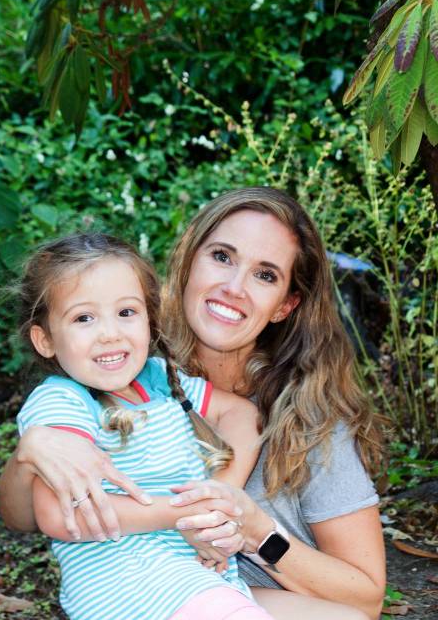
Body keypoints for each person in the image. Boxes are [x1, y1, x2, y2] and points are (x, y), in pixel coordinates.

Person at [0, 188, 386, 619]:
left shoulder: (303, 419)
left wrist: (244, 520)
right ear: (188, 262)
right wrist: (29, 452)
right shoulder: (116, 374)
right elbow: (33, 516)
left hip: (210, 585)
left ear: (286, 305)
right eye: (222, 256)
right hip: (149, 590)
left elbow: (366, 600)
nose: (234, 287)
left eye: (265, 275)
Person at [15, 232, 269, 619]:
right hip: (129, 584)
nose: (110, 333)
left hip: (192, 581)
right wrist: (183, 514)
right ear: (45, 339)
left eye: (126, 312)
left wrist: (216, 500)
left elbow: (241, 415)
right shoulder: (62, 403)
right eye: (84, 318)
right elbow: (56, 515)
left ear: (150, 319)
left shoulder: (158, 379)